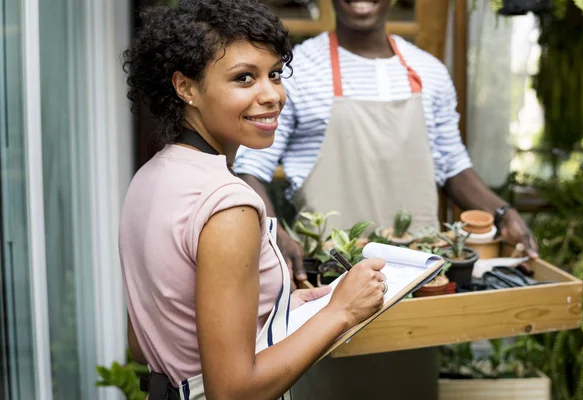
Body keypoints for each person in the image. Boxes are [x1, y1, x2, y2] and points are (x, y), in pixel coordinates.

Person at [234, 0, 539, 398]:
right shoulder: (297, 71)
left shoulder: (429, 72)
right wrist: (275, 234)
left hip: (417, 286)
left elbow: (452, 167)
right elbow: (250, 169)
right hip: (329, 284)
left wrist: (502, 213)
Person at [119, 1, 389, 399]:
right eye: (244, 78)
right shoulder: (229, 205)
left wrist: (278, 310)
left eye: (275, 74)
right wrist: (340, 312)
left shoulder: (151, 177)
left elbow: (145, 341)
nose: (272, 95)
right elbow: (232, 392)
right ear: (186, 87)